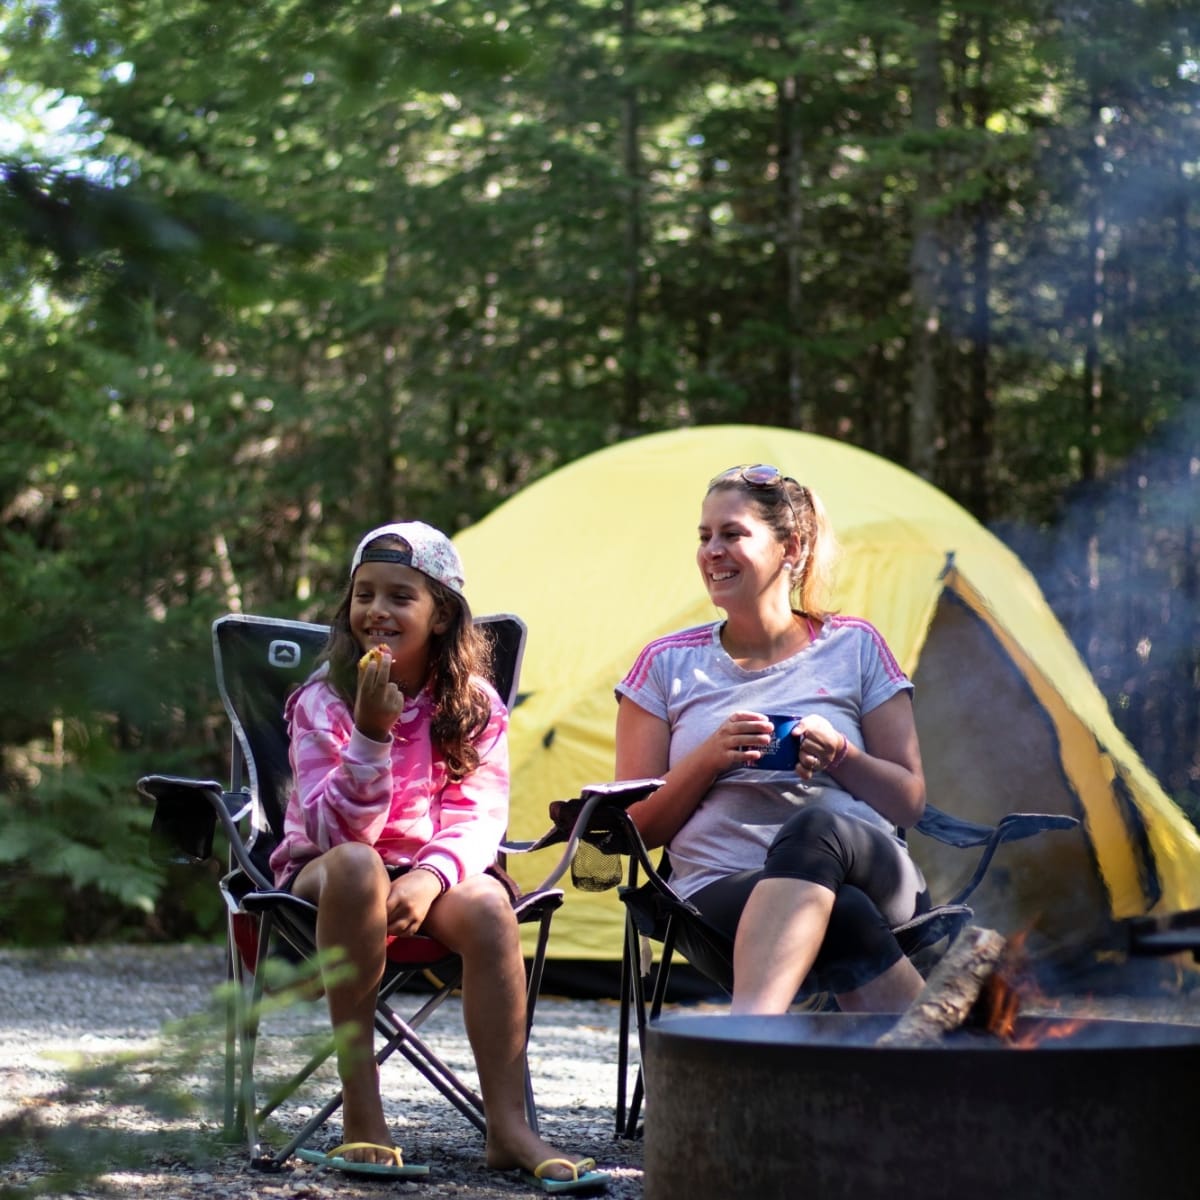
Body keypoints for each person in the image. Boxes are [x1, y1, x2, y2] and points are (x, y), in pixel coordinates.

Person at [269, 521, 607, 1194]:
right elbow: (333, 832)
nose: (377, 610)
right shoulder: (324, 701)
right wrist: (370, 735)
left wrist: (429, 875)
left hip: (430, 878)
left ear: (442, 614)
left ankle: (507, 1126)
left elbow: (479, 818)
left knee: (487, 903)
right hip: (325, 877)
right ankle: (362, 1110)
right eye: (364, 594)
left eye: (401, 596)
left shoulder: (473, 705)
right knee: (360, 866)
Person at [614, 465, 929, 1015]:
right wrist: (709, 759)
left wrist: (841, 755)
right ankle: (951, 1060)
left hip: (874, 870)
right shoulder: (665, 665)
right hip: (719, 889)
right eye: (704, 536)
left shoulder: (856, 646)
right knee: (844, 916)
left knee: (817, 829)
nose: (712, 551)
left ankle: (748, 1037)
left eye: (732, 534)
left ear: (792, 548)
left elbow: (909, 801)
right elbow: (635, 826)